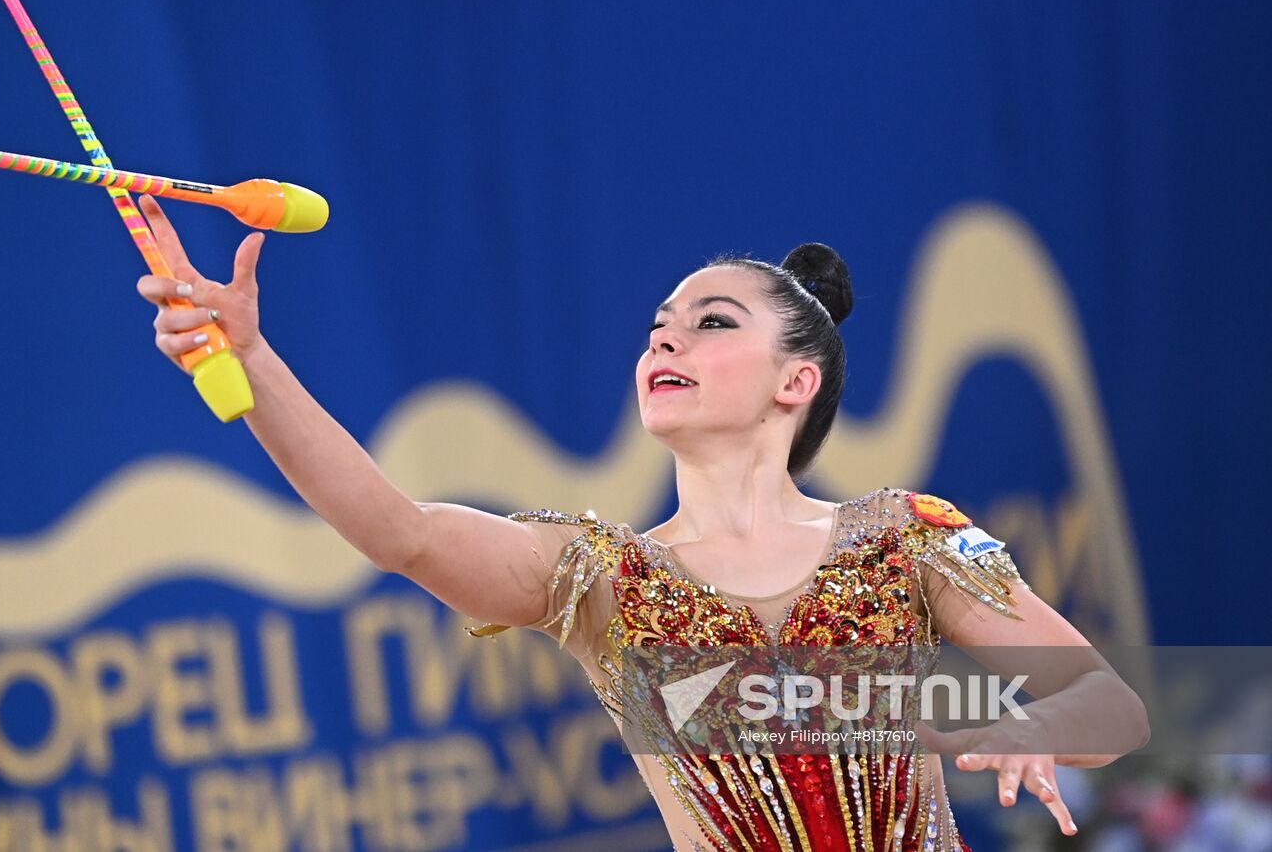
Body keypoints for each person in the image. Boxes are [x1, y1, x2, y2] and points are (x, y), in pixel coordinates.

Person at [134, 195, 1148, 851]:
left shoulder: (903, 537)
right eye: (657, 329)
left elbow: (1109, 713)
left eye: (710, 324)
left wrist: (1024, 723)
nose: (668, 339)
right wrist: (250, 362)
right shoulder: (600, 579)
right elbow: (398, 532)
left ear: (797, 380)